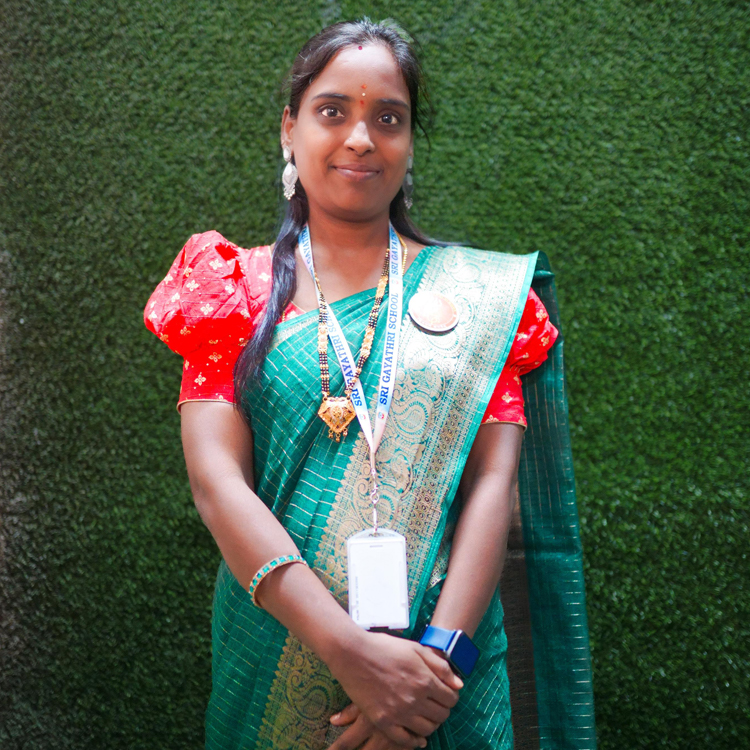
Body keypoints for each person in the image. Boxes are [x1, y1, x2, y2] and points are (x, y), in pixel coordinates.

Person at [144, 18, 596, 750]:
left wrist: (432, 679)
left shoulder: (479, 301)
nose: (360, 138)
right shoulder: (230, 289)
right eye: (332, 111)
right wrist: (353, 656)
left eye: (388, 118)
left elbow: (492, 486)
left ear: (410, 142)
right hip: (275, 664)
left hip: (444, 686)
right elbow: (217, 484)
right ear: (289, 129)